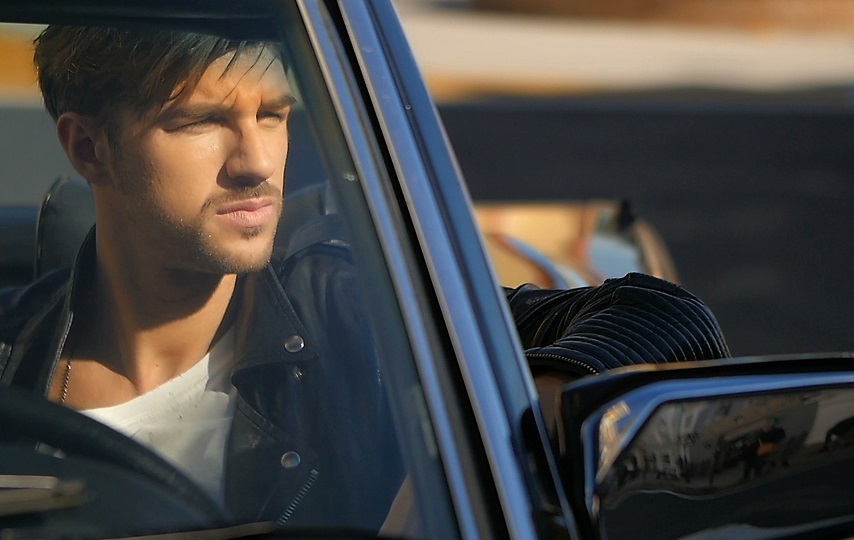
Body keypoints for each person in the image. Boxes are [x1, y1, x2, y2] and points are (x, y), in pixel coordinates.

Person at [0, 25, 729, 529]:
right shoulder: (11, 359)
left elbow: (666, 317)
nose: (257, 163)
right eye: (199, 121)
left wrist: (510, 416)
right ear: (89, 148)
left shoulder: (353, 312)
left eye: (274, 115)